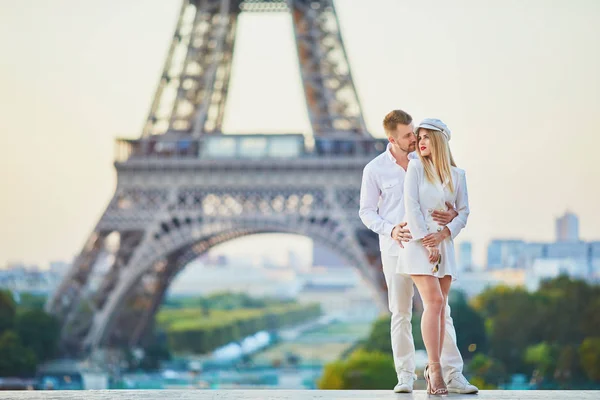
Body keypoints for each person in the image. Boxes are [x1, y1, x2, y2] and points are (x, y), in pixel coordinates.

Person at [359, 110, 478, 394]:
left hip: (430, 245)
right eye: (409, 135)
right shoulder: (374, 169)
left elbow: (450, 202)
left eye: (417, 134)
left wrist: (449, 218)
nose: (414, 139)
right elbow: (366, 211)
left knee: (440, 309)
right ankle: (405, 375)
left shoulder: (424, 162)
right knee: (400, 311)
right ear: (392, 138)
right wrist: (390, 230)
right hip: (394, 246)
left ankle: (451, 373)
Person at [397, 118, 470, 395]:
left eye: (427, 137)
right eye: (419, 137)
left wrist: (445, 232)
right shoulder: (415, 168)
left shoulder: (457, 175)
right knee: (434, 301)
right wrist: (427, 241)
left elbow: (464, 212)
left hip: (445, 244)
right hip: (419, 244)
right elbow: (411, 205)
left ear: (439, 141)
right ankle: (435, 367)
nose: (421, 142)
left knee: (440, 308)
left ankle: (433, 367)